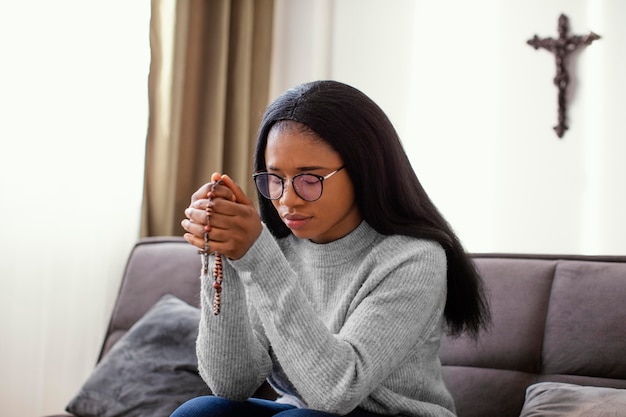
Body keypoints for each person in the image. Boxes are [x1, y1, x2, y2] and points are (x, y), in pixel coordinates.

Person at [174, 80, 490, 417]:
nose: (287, 199)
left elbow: (336, 392)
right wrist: (220, 253)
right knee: (201, 411)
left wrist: (257, 258)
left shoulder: (414, 258)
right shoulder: (274, 247)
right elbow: (231, 384)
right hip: (301, 412)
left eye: (310, 179)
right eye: (275, 178)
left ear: (363, 170)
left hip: (392, 414)